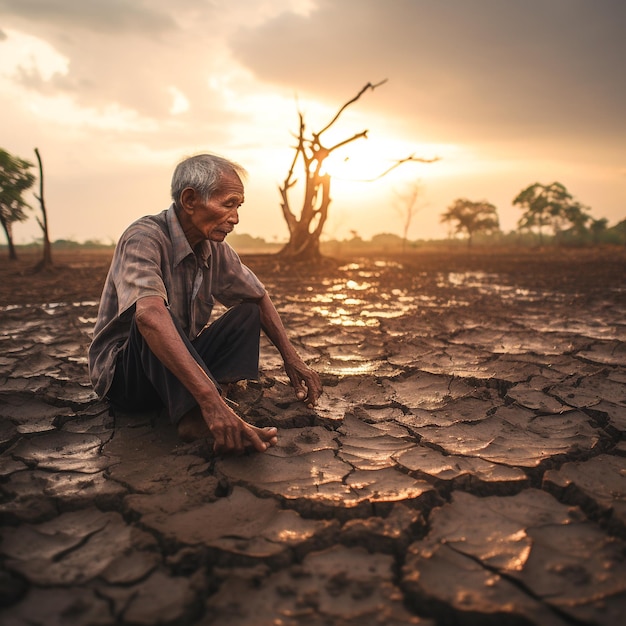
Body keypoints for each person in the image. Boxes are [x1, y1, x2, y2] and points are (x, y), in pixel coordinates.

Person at [88, 153, 322, 454]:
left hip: (174, 367)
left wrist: (292, 358)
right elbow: (149, 316)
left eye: (238, 206)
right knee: (152, 314)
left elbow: (258, 296)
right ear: (189, 200)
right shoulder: (144, 237)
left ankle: (212, 392)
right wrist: (209, 400)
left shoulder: (215, 249)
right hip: (129, 379)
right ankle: (196, 414)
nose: (235, 218)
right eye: (228, 204)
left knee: (248, 312)